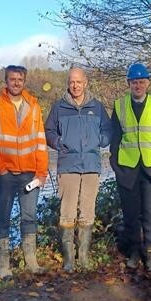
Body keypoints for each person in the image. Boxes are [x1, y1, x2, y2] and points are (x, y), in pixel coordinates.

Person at [0, 65, 49, 278]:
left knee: (29, 217)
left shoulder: (34, 106)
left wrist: (42, 173)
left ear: (24, 81)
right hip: (6, 173)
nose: (16, 83)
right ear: (6, 81)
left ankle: (31, 262)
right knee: (4, 218)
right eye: (12, 79)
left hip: (30, 172)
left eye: (20, 79)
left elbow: (40, 142)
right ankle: (4, 266)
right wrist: (0, 169)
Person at [44, 67, 112, 272]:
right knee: (67, 213)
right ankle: (69, 260)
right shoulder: (59, 107)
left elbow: (108, 130)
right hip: (68, 165)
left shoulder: (97, 107)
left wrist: (100, 140)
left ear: (86, 83)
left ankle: (83, 257)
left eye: (78, 82)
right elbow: (48, 131)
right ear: (68, 83)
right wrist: (59, 141)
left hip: (91, 166)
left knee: (87, 213)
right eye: (72, 82)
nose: (75, 85)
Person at [110, 63, 151, 272]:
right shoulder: (119, 105)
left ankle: (150, 252)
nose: (138, 85)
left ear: (147, 83)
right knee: (130, 213)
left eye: (141, 82)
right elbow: (115, 140)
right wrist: (116, 167)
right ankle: (135, 250)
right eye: (134, 82)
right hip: (128, 168)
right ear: (128, 83)